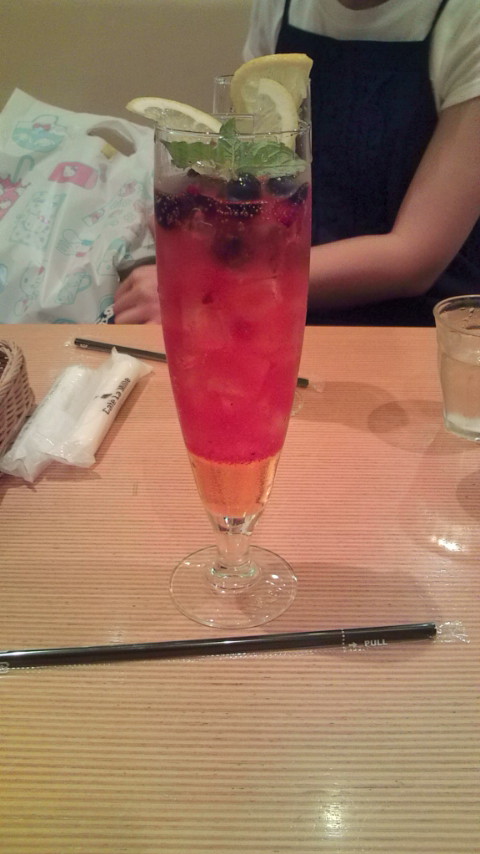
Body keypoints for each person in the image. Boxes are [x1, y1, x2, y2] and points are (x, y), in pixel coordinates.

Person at [115, 0, 480, 326]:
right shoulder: (278, 6)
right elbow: (254, 175)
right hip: (277, 297)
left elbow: (413, 258)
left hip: (426, 323)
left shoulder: (467, 18)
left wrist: (220, 284)